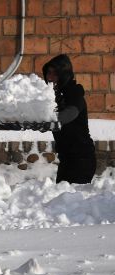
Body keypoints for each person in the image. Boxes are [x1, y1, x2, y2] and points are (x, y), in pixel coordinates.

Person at [42, 54, 96, 184]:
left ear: (63, 75)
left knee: (71, 202)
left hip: (81, 160)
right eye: (48, 73)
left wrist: (49, 122)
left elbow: (70, 113)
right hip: (66, 159)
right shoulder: (54, 96)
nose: (49, 78)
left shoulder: (74, 93)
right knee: (61, 200)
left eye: (54, 74)